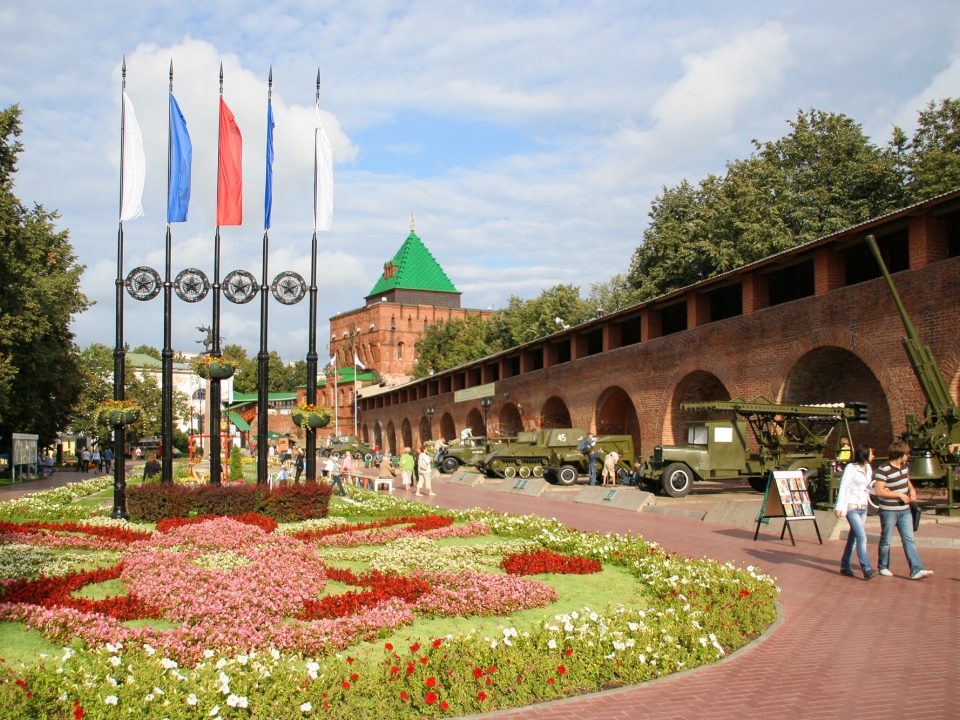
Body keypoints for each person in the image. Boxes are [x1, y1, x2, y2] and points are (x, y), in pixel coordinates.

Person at [875, 440, 933, 580]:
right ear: (900, 455)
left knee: (909, 539)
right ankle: (883, 566)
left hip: (904, 510)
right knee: (886, 540)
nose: (908, 456)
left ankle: (916, 570)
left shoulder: (905, 467)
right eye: (907, 454)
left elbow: (907, 482)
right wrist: (899, 494)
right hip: (888, 511)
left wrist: (912, 490)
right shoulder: (883, 469)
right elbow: (879, 491)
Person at [834, 443, 879, 580]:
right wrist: (840, 506)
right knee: (862, 536)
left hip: (863, 507)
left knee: (853, 537)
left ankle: (845, 565)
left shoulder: (868, 468)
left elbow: (866, 487)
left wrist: (878, 491)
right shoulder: (851, 468)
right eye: (871, 453)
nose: (873, 456)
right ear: (864, 453)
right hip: (852, 506)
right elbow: (844, 486)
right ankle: (866, 568)